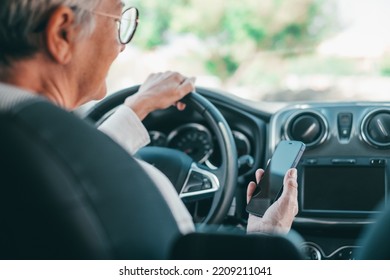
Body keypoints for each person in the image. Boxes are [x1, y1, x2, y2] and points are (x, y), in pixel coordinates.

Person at [0, 0, 298, 237]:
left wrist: (137, 107)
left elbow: (75, 161)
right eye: (118, 22)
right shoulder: (142, 191)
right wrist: (267, 239)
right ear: (62, 33)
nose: (122, 45)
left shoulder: (25, 152)